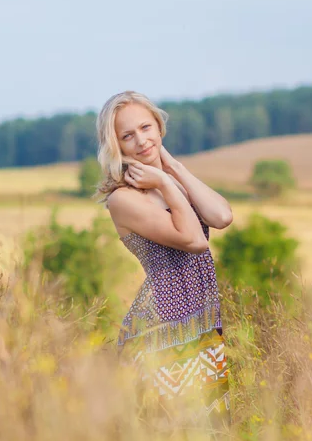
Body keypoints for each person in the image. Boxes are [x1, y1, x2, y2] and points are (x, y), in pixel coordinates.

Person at [94, 90, 233, 431]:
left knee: (214, 429)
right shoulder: (123, 199)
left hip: (201, 325)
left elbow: (221, 215)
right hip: (159, 333)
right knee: (171, 430)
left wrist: (171, 167)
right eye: (128, 135)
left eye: (146, 127)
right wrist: (166, 184)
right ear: (116, 146)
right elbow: (194, 240)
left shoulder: (170, 178)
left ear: (159, 127)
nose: (141, 140)